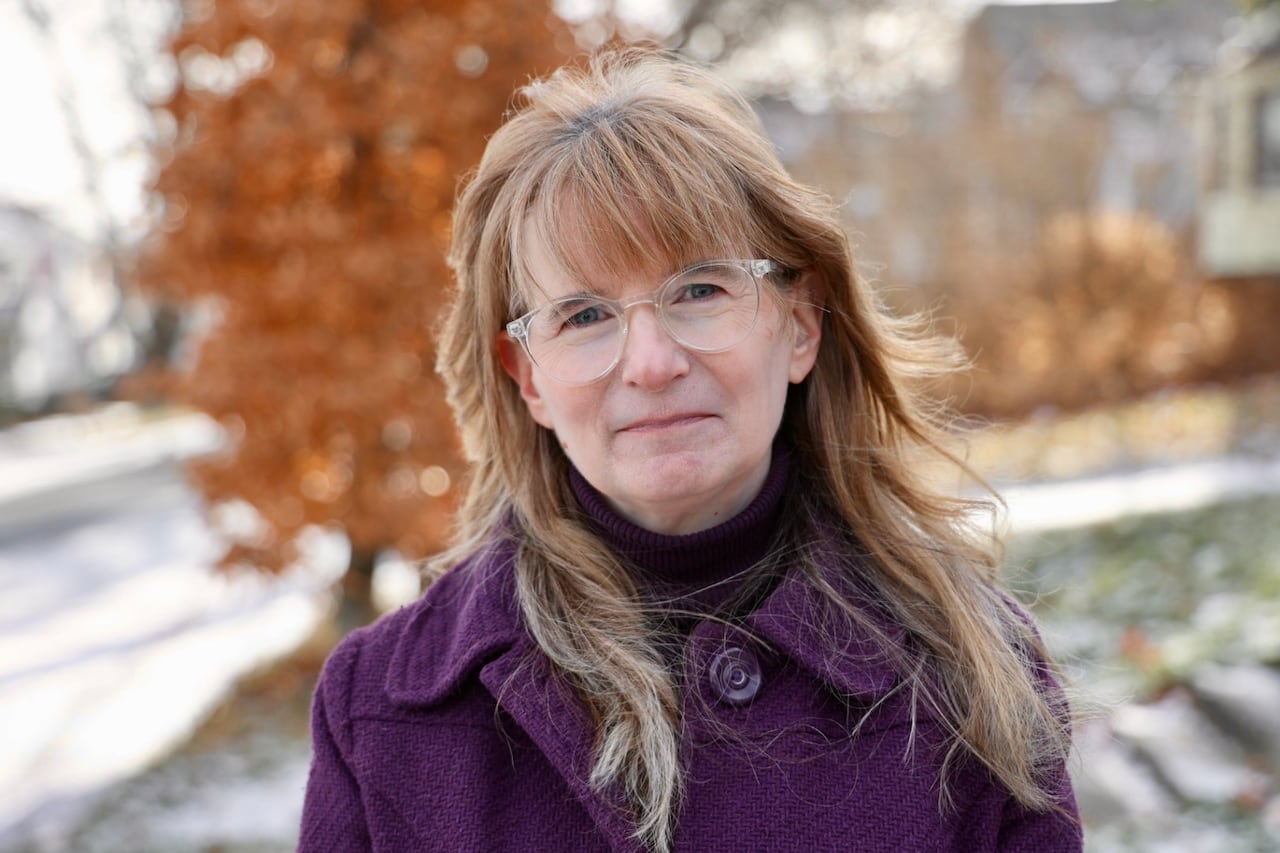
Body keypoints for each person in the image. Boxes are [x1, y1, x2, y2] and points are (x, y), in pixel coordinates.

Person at [300, 47, 1081, 852]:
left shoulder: (974, 670)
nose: (651, 362)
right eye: (584, 315)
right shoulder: (380, 717)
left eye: (700, 289)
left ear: (800, 323)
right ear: (527, 376)